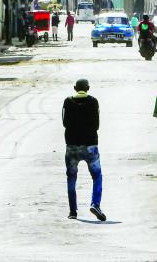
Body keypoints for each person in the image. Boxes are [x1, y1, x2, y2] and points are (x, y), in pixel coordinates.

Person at [62, 79, 105, 221]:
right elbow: (97, 125)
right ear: (88, 88)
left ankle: (73, 211)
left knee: (71, 177)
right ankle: (95, 204)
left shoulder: (67, 102)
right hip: (90, 146)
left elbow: (65, 123)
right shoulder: (94, 102)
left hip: (72, 147)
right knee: (97, 176)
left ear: (75, 88)